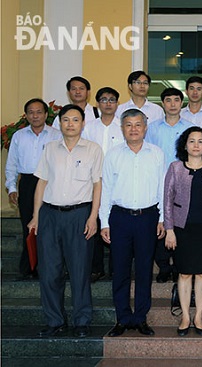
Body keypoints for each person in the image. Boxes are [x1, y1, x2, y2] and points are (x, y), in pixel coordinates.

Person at [28, 104, 103, 338]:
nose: (70, 124)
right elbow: (41, 183)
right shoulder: (50, 148)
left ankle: (82, 321)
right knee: (50, 271)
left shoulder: (93, 149)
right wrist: (35, 216)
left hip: (79, 215)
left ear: (83, 123)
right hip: (50, 215)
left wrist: (93, 216)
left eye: (75, 120)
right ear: (59, 123)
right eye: (66, 120)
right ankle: (55, 321)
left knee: (80, 271)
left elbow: (98, 185)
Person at [100, 108, 165, 337]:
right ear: (122, 128)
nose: (134, 129)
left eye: (138, 124)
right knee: (120, 270)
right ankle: (122, 318)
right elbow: (105, 189)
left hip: (148, 217)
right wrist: (103, 222)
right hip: (119, 218)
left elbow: (161, 188)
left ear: (145, 127)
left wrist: (163, 218)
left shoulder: (156, 153)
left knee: (145, 270)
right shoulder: (113, 154)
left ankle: (140, 318)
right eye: (129, 125)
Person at [164, 126, 202, 337]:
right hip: (182, 229)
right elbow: (167, 200)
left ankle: (199, 317)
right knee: (185, 273)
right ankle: (186, 316)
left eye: (200, 141)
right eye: (192, 141)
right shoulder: (175, 168)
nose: (196, 145)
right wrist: (169, 229)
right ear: (184, 145)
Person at [5, 98, 61, 279]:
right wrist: (12, 187)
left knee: (50, 227)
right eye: (31, 112)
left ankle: (49, 267)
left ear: (46, 114)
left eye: (39, 112)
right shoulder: (18, 137)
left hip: (52, 182)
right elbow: (12, 164)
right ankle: (29, 267)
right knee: (28, 226)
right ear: (26, 115)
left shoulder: (56, 135)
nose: (35, 115)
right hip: (28, 183)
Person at [146, 87, 194, 283]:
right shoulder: (153, 128)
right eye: (168, 100)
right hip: (159, 180)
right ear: (162, 104)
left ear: (181, 103)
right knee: (161, 221)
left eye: (176, 100)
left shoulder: (191, 128)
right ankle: (164, 266)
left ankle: (181, 264)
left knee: (182, 223)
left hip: (186, 182)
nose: (173, 104)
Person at [82, 87, 124, 282]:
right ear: (97, 103)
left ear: (117, 103)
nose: (108, 103)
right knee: (95, 225)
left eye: (112, 100)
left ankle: (116, 268)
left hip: (118, 183)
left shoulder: (123, 126)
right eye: (104, 100)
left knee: (116, 226)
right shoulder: (89, 127)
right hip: (93, 182)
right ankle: (95, 267)